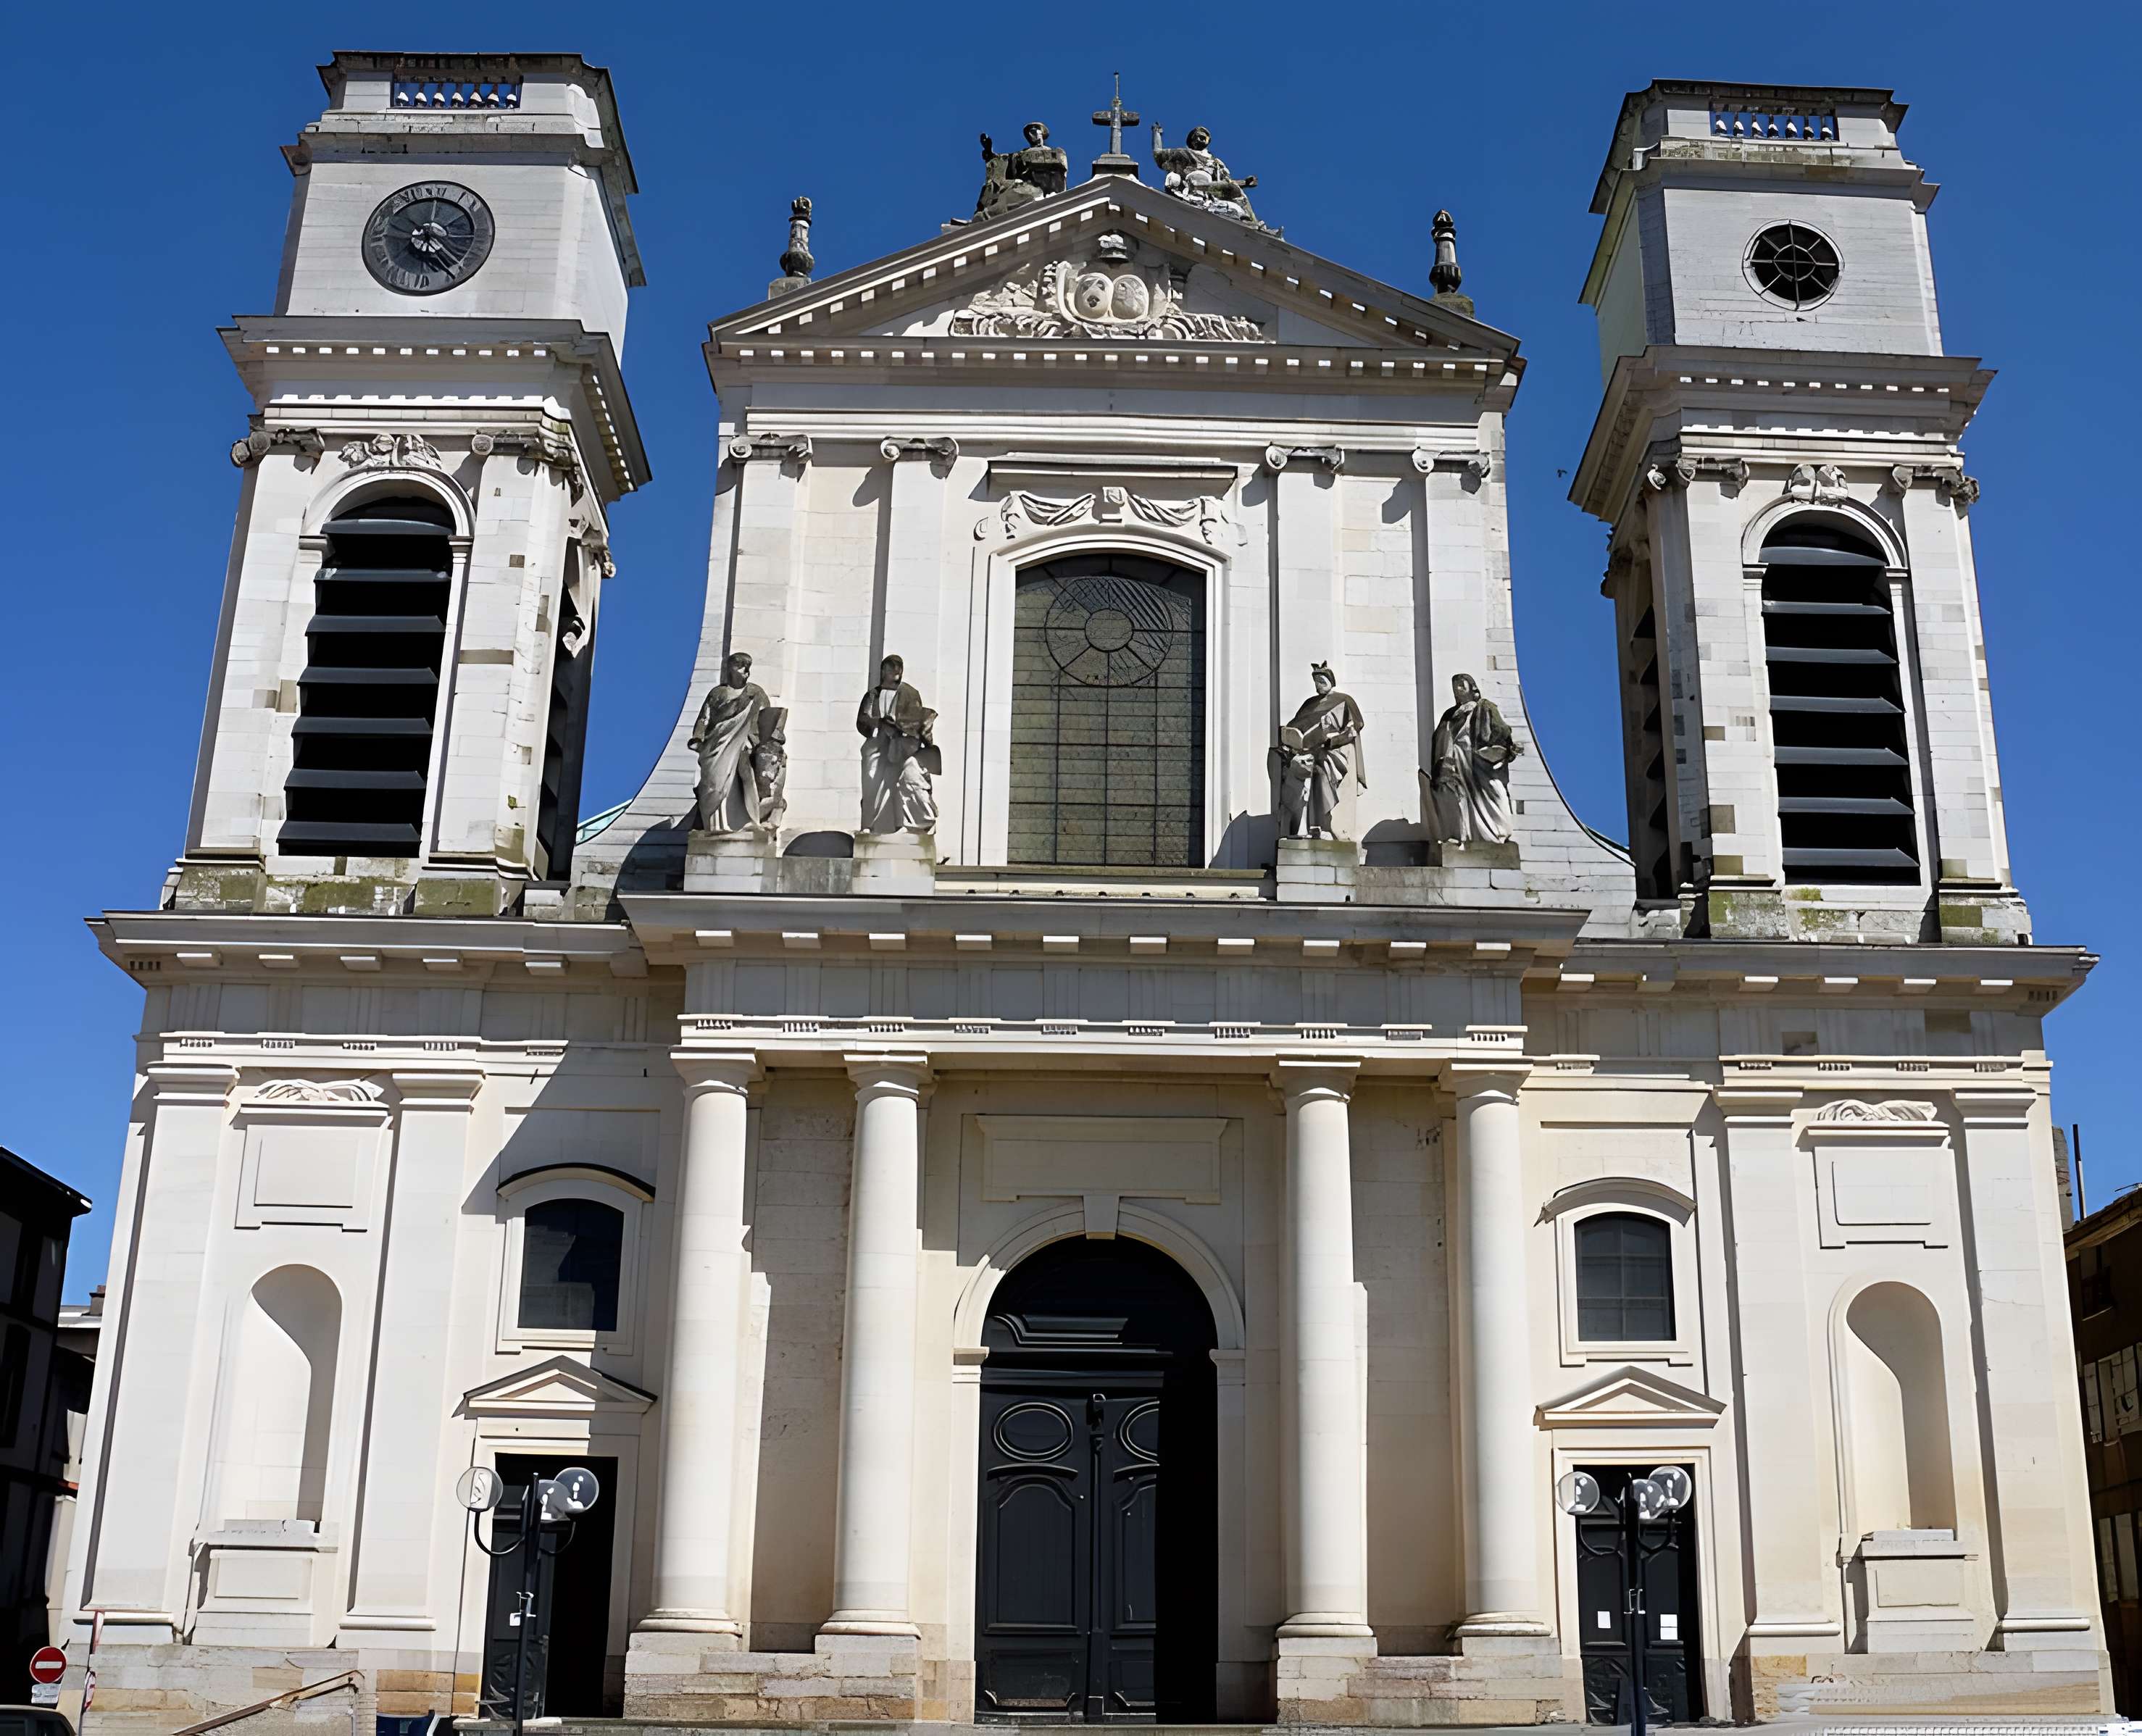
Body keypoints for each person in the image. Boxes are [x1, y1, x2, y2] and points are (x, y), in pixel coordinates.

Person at [1428, 672, 1522, 844]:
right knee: (1460, 797)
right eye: (1455, 686)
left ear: (1472, 688)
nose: (1458, 689)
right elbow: (1440, 735)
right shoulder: (1450, 714)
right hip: (1457, 757)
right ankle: (1465, 834)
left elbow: (1500, 729)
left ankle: (1497, 832)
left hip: (1479, 759)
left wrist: (1509, 746)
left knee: (1491, 792)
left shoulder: (1484, 707)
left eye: (1462, 685)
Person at [1275, 662, 1364, 839]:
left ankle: (1325, 825)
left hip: (1332, 750)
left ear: (1331, 681)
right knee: (1294, 773)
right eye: (1316, 681)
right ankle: (1300, 827)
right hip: (1305, 750)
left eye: (1322, 680)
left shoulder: (1343, 700)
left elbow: (1355, 727)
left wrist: (1332, 740)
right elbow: (1297, 725)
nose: (1318, 685)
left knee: (1321, 771)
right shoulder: (1309, 703)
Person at [856, 654, 940, 833]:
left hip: (901, 745)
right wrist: (880, 723)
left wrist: (900, 726)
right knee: (872, 781)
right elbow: (863, 719)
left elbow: (916, 718)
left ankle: (900, 825)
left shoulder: (910, 693)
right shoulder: (873, 695)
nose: (896, 670)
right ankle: (871, 825)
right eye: (891, 667)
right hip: (878, 745)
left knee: (900, 782)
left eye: (899, 667)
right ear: (883, 670)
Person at [689, 651, 772, 833]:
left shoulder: (755, 692)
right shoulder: (717, 693)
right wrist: (699, 738)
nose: (745, 671)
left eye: (747, 668)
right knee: (715, 785)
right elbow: (705, 718)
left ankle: (749, 820)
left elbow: (767, 718)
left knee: (745, 778)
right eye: (741, 667)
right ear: (731, 669)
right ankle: (715, 825)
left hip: (743, 745)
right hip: (716, 746)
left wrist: (762, 741)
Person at [1151, 123, 1262, 226]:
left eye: (1204, 137)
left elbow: (1227, 183)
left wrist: (1245, 183)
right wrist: (1157, 134)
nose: (1201, 139)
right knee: (1202, 178)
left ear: (1208, 141)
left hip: (1211, 189)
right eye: (1197, 136)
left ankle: (1254, 224)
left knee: (1238, 193)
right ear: (1192, 141)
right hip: (1193, 184)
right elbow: (1158, 155)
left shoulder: (1216, 162)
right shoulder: (1184, 153)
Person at [974, 122, 1067, 222]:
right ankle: (984, 217)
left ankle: (986, 217)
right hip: (1024, 187)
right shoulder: (1020, 155)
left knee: (1012, 196)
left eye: (1035, 132)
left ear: (1041, 135)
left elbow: (1059, 172)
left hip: (1041, 190)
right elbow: (1003, 162)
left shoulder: (1056, 153)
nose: (1032, 135)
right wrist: (990, 153)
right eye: (1030, 134)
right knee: (1004, 192)